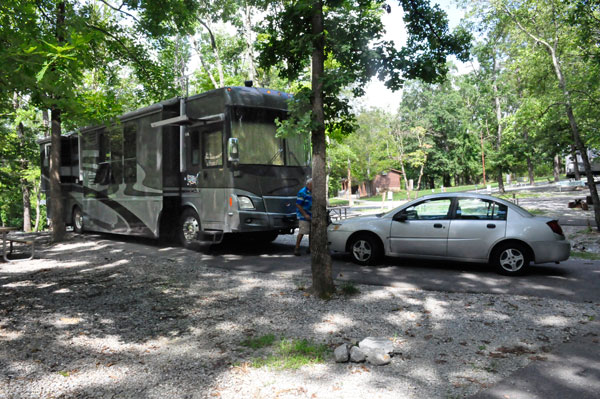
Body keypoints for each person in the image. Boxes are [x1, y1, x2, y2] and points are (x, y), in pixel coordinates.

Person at [294, 178, 312, 256]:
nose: (314, 186)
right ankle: (296, 248)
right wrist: (305, 214)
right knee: (302, 232)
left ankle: (310, 248)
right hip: (303, 215)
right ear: (308, 184)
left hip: (312, 214)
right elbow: (298, 204)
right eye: (312, 185)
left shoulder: (313, 191)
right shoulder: (302, 192)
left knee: (312, 232)